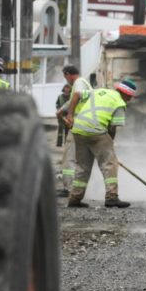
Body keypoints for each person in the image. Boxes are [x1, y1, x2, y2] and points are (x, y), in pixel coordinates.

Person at [66, 79, 137, 209]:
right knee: (109, 164)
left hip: (78, 129)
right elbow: (112, 128)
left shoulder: (99, 91)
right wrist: (110, 146)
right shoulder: (119, 103)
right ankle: (112, 197)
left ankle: (75, 199)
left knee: (82, 167)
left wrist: (70, 115)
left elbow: (76, 94)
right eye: (130, 96)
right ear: (125, 93)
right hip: (96, 131)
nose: (130, 99)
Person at [56, 65, 93, 197]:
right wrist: (62, 110)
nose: (66, 80)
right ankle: (78, 189)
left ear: (68, 74)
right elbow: (74, 100)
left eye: (65, 77)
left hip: (79, 125)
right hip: (87, 125)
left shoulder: (78, 83)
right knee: (82, 159)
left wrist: (69, 114)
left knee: (69, 157)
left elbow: (76, 97)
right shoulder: (84, 83)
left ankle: (69, 188)